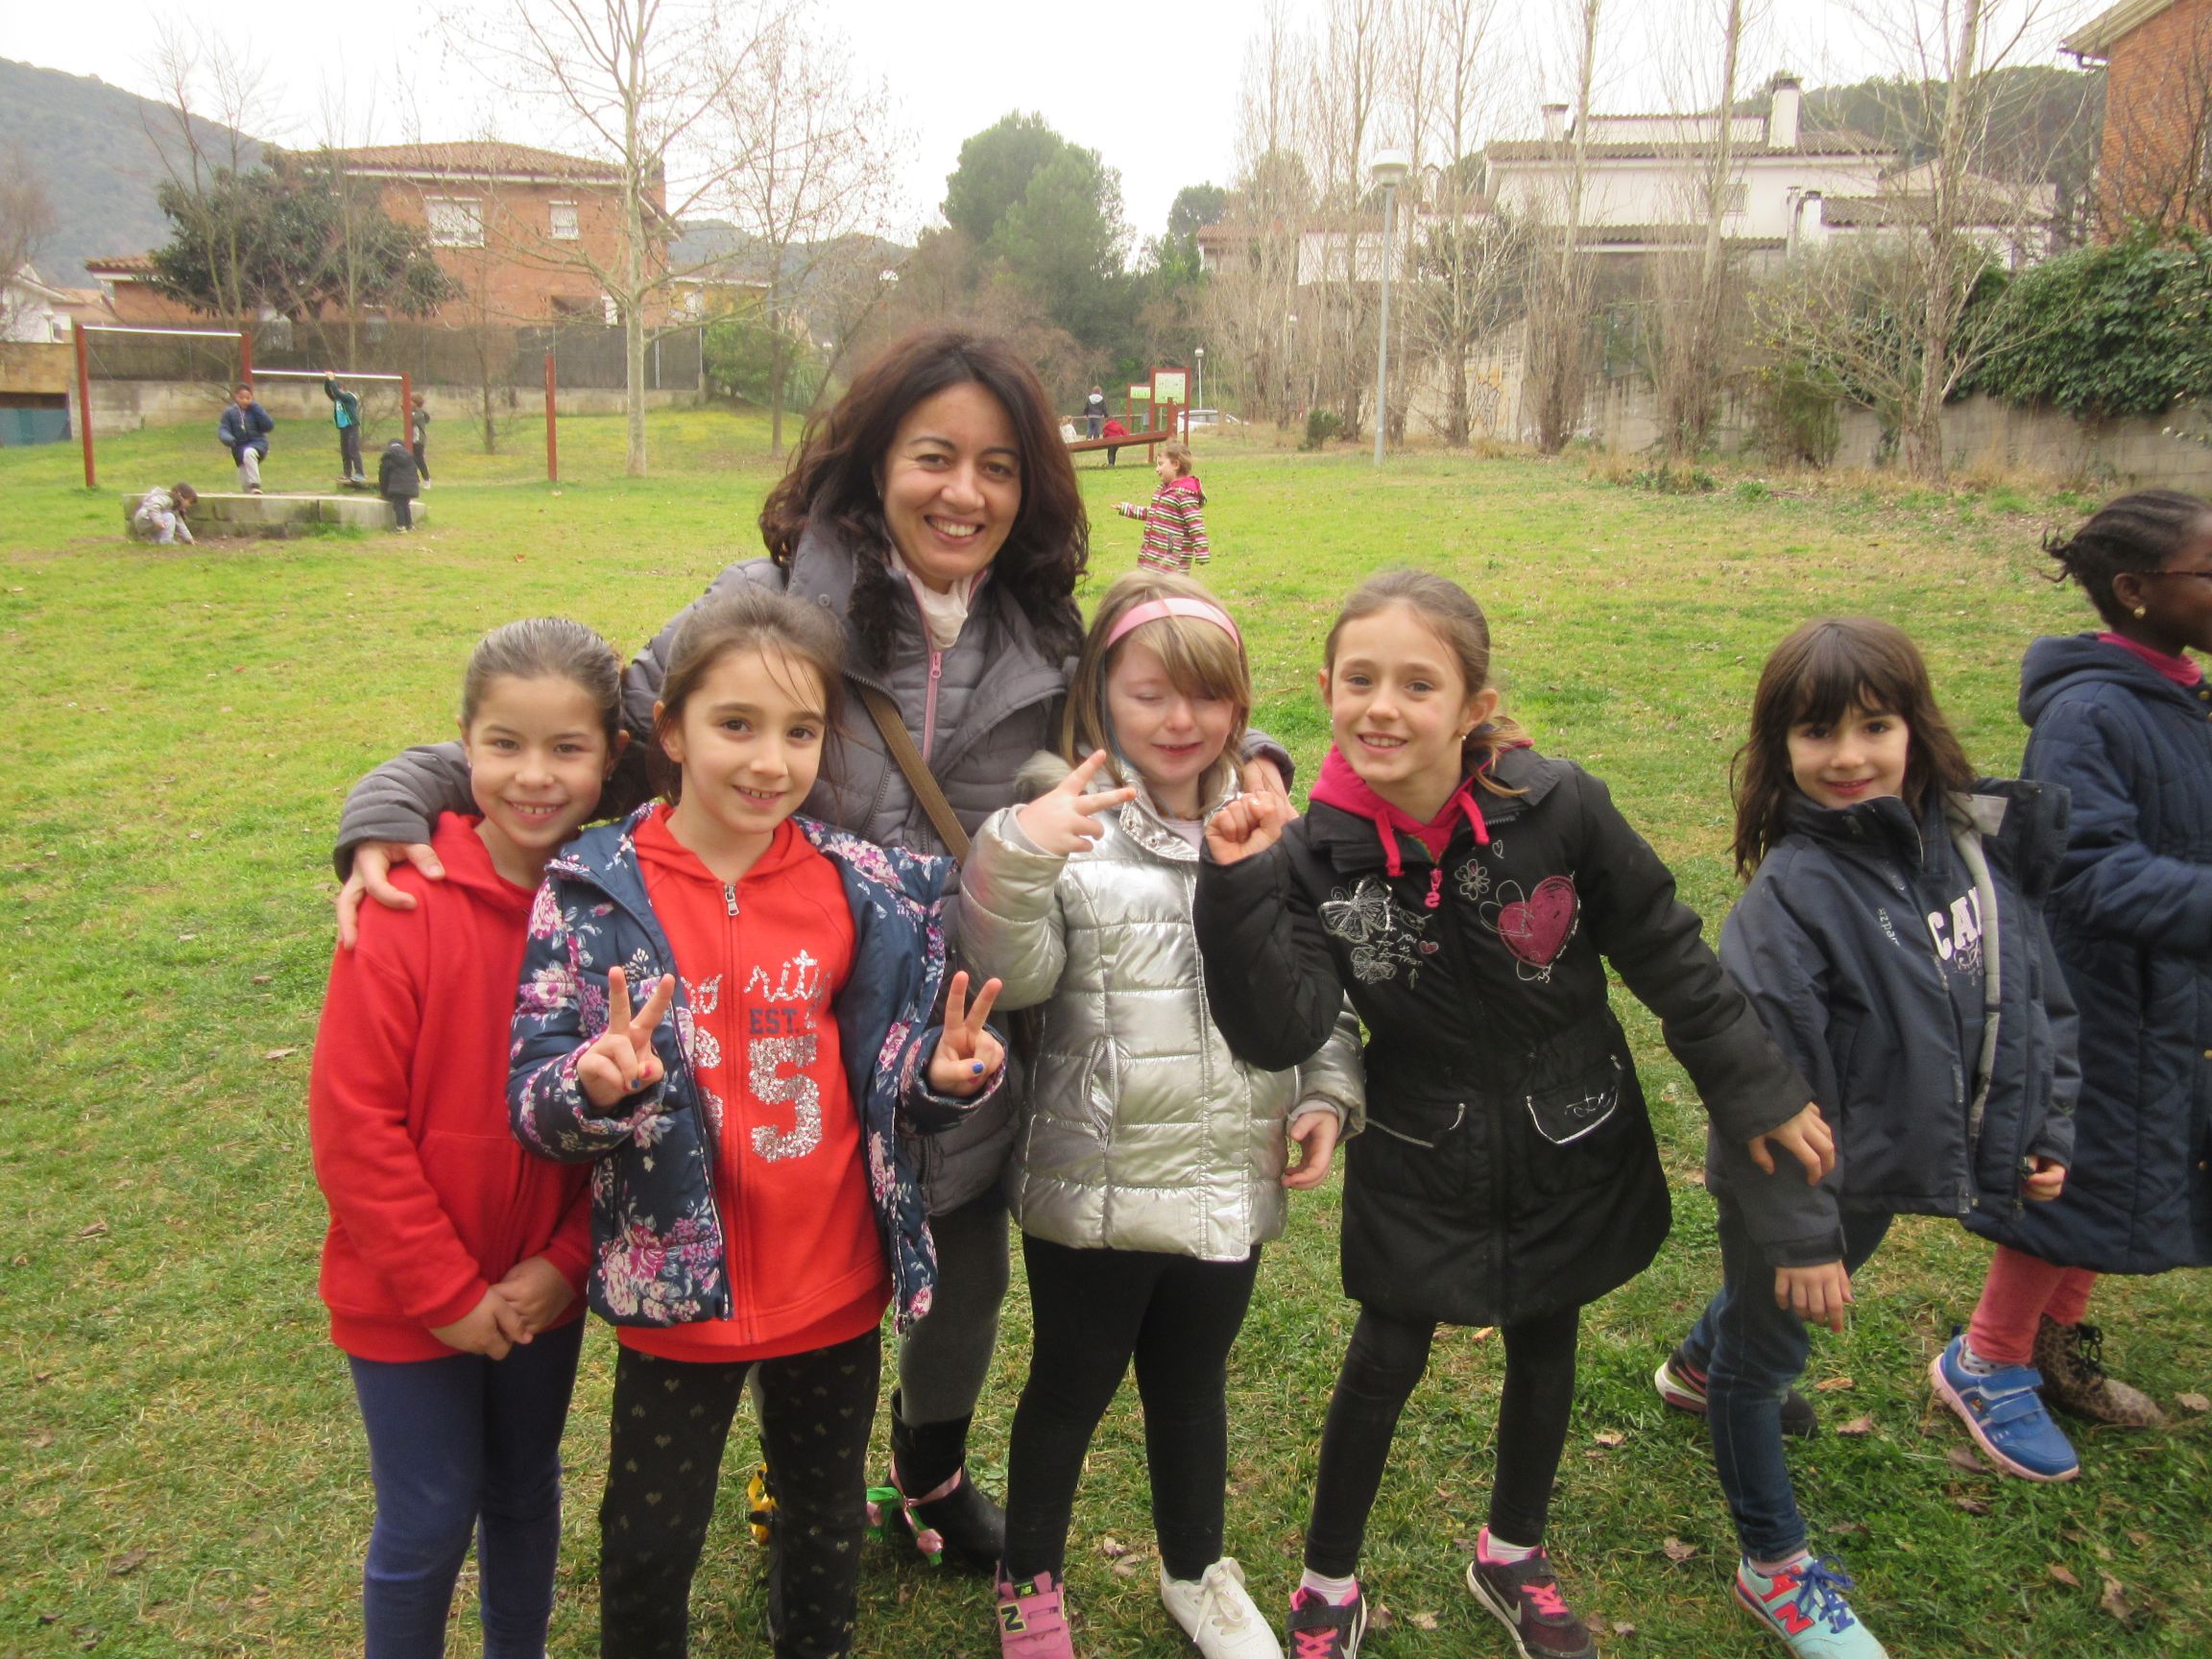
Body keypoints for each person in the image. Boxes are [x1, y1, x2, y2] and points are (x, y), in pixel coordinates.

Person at [331, 328, 1292, 1571]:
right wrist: (401, 794)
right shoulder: (767, 597)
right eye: (934, 456)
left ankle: (929, 1472)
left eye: (998, 466)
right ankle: (787, 1480)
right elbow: (585, 730)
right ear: (876, 460)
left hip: (953, 1037)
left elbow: (1167, 709)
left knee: (963, 1287)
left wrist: (1259, 756)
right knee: (783, 1284)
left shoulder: (1048, 635)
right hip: (771, 1041)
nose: (964, 492)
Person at [1192, 569, 1827, 1659]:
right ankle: (1327, 1579)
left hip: (1569, 1129)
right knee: (1385, 1355)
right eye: (1360, 680)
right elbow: (1279, 1028)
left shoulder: (1558, 805)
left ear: (1472, 707)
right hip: (1421, 1143)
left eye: (1418, 684)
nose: (1382, 707)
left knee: (1548, 1334)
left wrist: (1753, 1083)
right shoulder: (1309, 858)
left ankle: (1512, 1553)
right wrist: (1240, 888)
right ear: (1327, 689)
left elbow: (1664, 947)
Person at [507, 587, 1007, 1658]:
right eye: (736, 724)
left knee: (823, 1519)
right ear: (671, 730)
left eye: (800, 731)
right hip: (677, 1293)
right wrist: (594, 1088)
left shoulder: (863, 887)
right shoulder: (591, 891)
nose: (769, 761)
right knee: (649, 1542)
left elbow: (889, 1078)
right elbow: (534, 1099)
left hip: (834, 1282)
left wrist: (943, 1076)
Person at [958, 571, 1364, 1659]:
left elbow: (1313, 984)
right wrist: (1021, 850)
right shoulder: (1066, 823)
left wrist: (1328, 1087)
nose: (1180, 721)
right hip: (1095, 1179)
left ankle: (1197, 1573)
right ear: (1101, 694)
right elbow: (1013, 975)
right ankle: (1029, 1581)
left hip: (1229, 1170)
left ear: (1241, 704)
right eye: (1149, 695)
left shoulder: (1270, 827)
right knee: (1070, 1389)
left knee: (1191, 1387)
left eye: (1208, 697)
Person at [1657, 617, 2077, 1657]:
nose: (1847, 757)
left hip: (1883, 1167)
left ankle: (1696, 1367)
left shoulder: (1967, 846)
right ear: (1779, 749)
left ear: (1915, 727)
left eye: (1874, 726)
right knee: (1769, 1360)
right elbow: (1760, 1093)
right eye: (1816, 733)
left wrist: (2041, 1121)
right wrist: (1802, 1238)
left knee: (1768, 1319)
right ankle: (1772, 1565)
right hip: (1797, 1188)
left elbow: (2027, 995)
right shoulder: (1789, 904)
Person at [310, 617, 625, 1658]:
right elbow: (353, 1126)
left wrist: (565, 1264)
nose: (534, 777)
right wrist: (443, 1294)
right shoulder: (404, 903)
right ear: (462, 746)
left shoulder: (609, 912)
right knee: (428, 1517)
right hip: (404, 1295)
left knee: (524, 1491)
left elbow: (628, 1114)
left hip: (539, 1289)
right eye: (505, 745)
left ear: (612, 756)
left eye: (567, 748)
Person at [1939, 492, 2212, 1456]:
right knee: (2070, 1176)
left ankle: (2054, 1341)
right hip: (2097, 997)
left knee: (2130, 1163)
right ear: (2135, 591)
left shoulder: (2182, 695)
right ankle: (1987, 1357)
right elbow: (2085, 871)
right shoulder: (2088, 713)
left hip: (2169, 988)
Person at [1118, 443, 1210, 572]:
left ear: (1176, 465)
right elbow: (1154, 513)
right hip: (1156, 550)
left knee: (1169, 577)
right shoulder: (1164, 490)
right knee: (1152, 578)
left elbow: (1195, 523)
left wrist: (1202, 551)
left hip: (1172, 547)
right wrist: (1127, 509)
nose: (1157, 469)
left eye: (1160, 464)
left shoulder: (1184, 493)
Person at [218, 383, 273, 493]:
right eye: (241, 398)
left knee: (249, 453)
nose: (245, 401)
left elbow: (268, 426)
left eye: (248, 398)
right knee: (244, 483)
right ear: (236, 397)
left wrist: (257, 408)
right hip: (239, 448)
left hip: (258, 444)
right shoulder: (229, 413)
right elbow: (224, 428)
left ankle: (255, 484)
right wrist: (228, 439)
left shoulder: (256, 410)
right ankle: (251, 494)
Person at [325, 371, 367, 484]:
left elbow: (337, 393)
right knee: (345, 451)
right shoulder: (337, 398)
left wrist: (332, 380)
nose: (333, 393)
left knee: (353, 450)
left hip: (352, 426)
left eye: (335, 390)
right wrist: (328, 380)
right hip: (343, 427)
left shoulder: (349, 397)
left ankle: (360, 473)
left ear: (341, 388)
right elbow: (328, 391)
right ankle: (347, 473)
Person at [378, 438, 422, 533]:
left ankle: (401, 526)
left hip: (397, 485)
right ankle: (409, 525)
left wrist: (384, 491)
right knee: (406, 504)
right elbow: (414, 472)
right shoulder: (409, 455)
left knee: (398, 505)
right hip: (410, 485)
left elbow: (383, 475)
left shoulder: (388, 455)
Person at [130, 483, 197, 544]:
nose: (189, 505)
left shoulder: (175, 508)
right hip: (145, 518)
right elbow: (153, 506)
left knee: (170, 518)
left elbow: (180, 523)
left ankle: (156, 541)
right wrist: (158, 521)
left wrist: (189, 539)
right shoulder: (166, 499)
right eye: (189, 502)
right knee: (169, 517)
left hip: (150, 520)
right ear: (180, 496)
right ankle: (166, 541)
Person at [410, 392, 433, 490]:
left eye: (411, 401)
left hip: (418, 440)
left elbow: (411, 420)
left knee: (419, 460)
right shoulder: (413, 412)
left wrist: (405, 411)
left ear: (416, 403)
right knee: (411, 459)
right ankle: (415, 479)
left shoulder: (419, 414)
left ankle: (427, 479)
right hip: (412, 439)